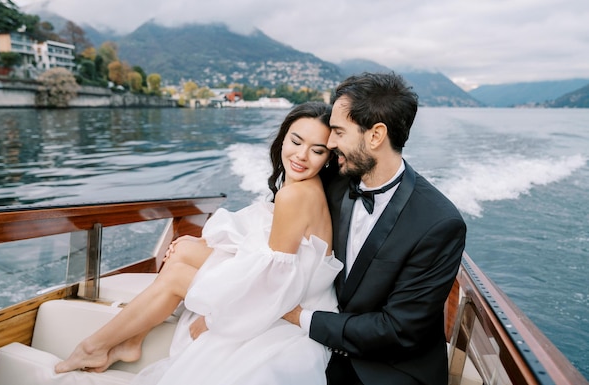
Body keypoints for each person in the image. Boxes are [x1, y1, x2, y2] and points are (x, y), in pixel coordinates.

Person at [55, 101, 343, 385]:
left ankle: (93, 348)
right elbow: (270, 248)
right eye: (296, 141)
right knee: (183, 251)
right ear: (283, 138)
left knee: (179, 271)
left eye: (316, 150)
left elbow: (275, 280)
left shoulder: (296, 195)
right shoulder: (302, 187)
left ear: (328, 157)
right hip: (298, 290)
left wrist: (217, 317)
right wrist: (199, 245)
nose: (302, 156)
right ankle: (131, 340)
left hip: (291, 304)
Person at [283, 72, 467, 385]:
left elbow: (398, 330)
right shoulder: (332, 182)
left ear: (375, 136)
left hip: (389, 369)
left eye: (339, 132)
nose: (330, 142)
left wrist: (301, 317)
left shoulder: (439, 224)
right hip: (319, 345)